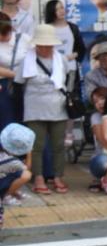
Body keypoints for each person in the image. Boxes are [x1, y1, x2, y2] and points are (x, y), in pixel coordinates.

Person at [16, 25, 70, 194]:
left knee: (58, 145)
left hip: (58, 107)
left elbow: (66, 79)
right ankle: (38, 177)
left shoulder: (62, 60)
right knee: (36, 146)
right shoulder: (26, 60)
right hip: (34, 108)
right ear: (36, 44)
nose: (45, 48)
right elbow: (18, 84)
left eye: (49, 45)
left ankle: (58, 176)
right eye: (42, 45)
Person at [0, 12, 29, 131]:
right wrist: (16, 75)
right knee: (7, 122)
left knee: (26, 120)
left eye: (4, 34)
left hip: (26, 85)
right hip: (5, 85)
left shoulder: (24, 39)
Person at [0, 122, 33, 207]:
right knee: (26, 175)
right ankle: (6, 196)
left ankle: (13, 191)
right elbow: (27, 169)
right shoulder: (12, 161)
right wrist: (29, 153)